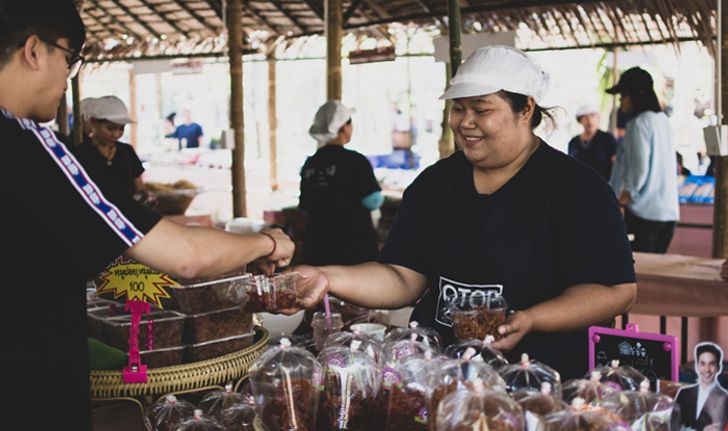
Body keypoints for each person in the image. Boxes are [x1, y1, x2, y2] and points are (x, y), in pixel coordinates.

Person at [0, 2, 294, 429]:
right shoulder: (32, 146)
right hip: (28, 394)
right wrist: (269, 241)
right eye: (69, 60)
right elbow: (185, 257)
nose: (68, 77)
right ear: (33, 51)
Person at [291, 46, 637, 380]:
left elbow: (616, 290)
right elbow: (402, 277)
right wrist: (328, 277)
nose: (465, 122)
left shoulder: (576, 188)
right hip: (440, 376)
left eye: (481, 110)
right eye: (458, 109)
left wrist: (532, 319)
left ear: (526, 109)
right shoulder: (435, 184)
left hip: (538, 381)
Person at [299, 100, 383, 265]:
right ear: (343, 128)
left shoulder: (310, 164)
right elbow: (373, 201)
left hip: (317, 248)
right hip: (353, 249)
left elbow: (304, 207)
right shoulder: (355, 161)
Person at [607, 67, 679, 253]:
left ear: (638, 95)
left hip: (644, 214)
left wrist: (620, 201)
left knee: (637, 273)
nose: (621, 101)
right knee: (653, 270)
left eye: (624, 95)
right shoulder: (662, 121)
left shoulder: (638, 124)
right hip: (667, 213)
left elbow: (638, 171)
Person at [72, 95, 145, 198]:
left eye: (121, 129)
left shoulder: (127, 151)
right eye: (111, 129)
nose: (116, 134)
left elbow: (140, 187)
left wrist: (144, 198)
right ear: (94, 122)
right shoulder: (81, 153)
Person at [675, 342, 728, 431]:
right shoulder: (683, 393)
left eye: (712, 364)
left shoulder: (724, 398)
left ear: (718, 367)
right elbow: (673, 425)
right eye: (703, 364)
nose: (707, 369)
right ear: (697, 366)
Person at [567, 102, 617, 180]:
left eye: (592, 115)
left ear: (598, 118)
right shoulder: (573, 142)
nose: (589, 120)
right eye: (585, 117)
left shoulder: (607, 138)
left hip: (603, 186)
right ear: (580, 120)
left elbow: (616, 164)